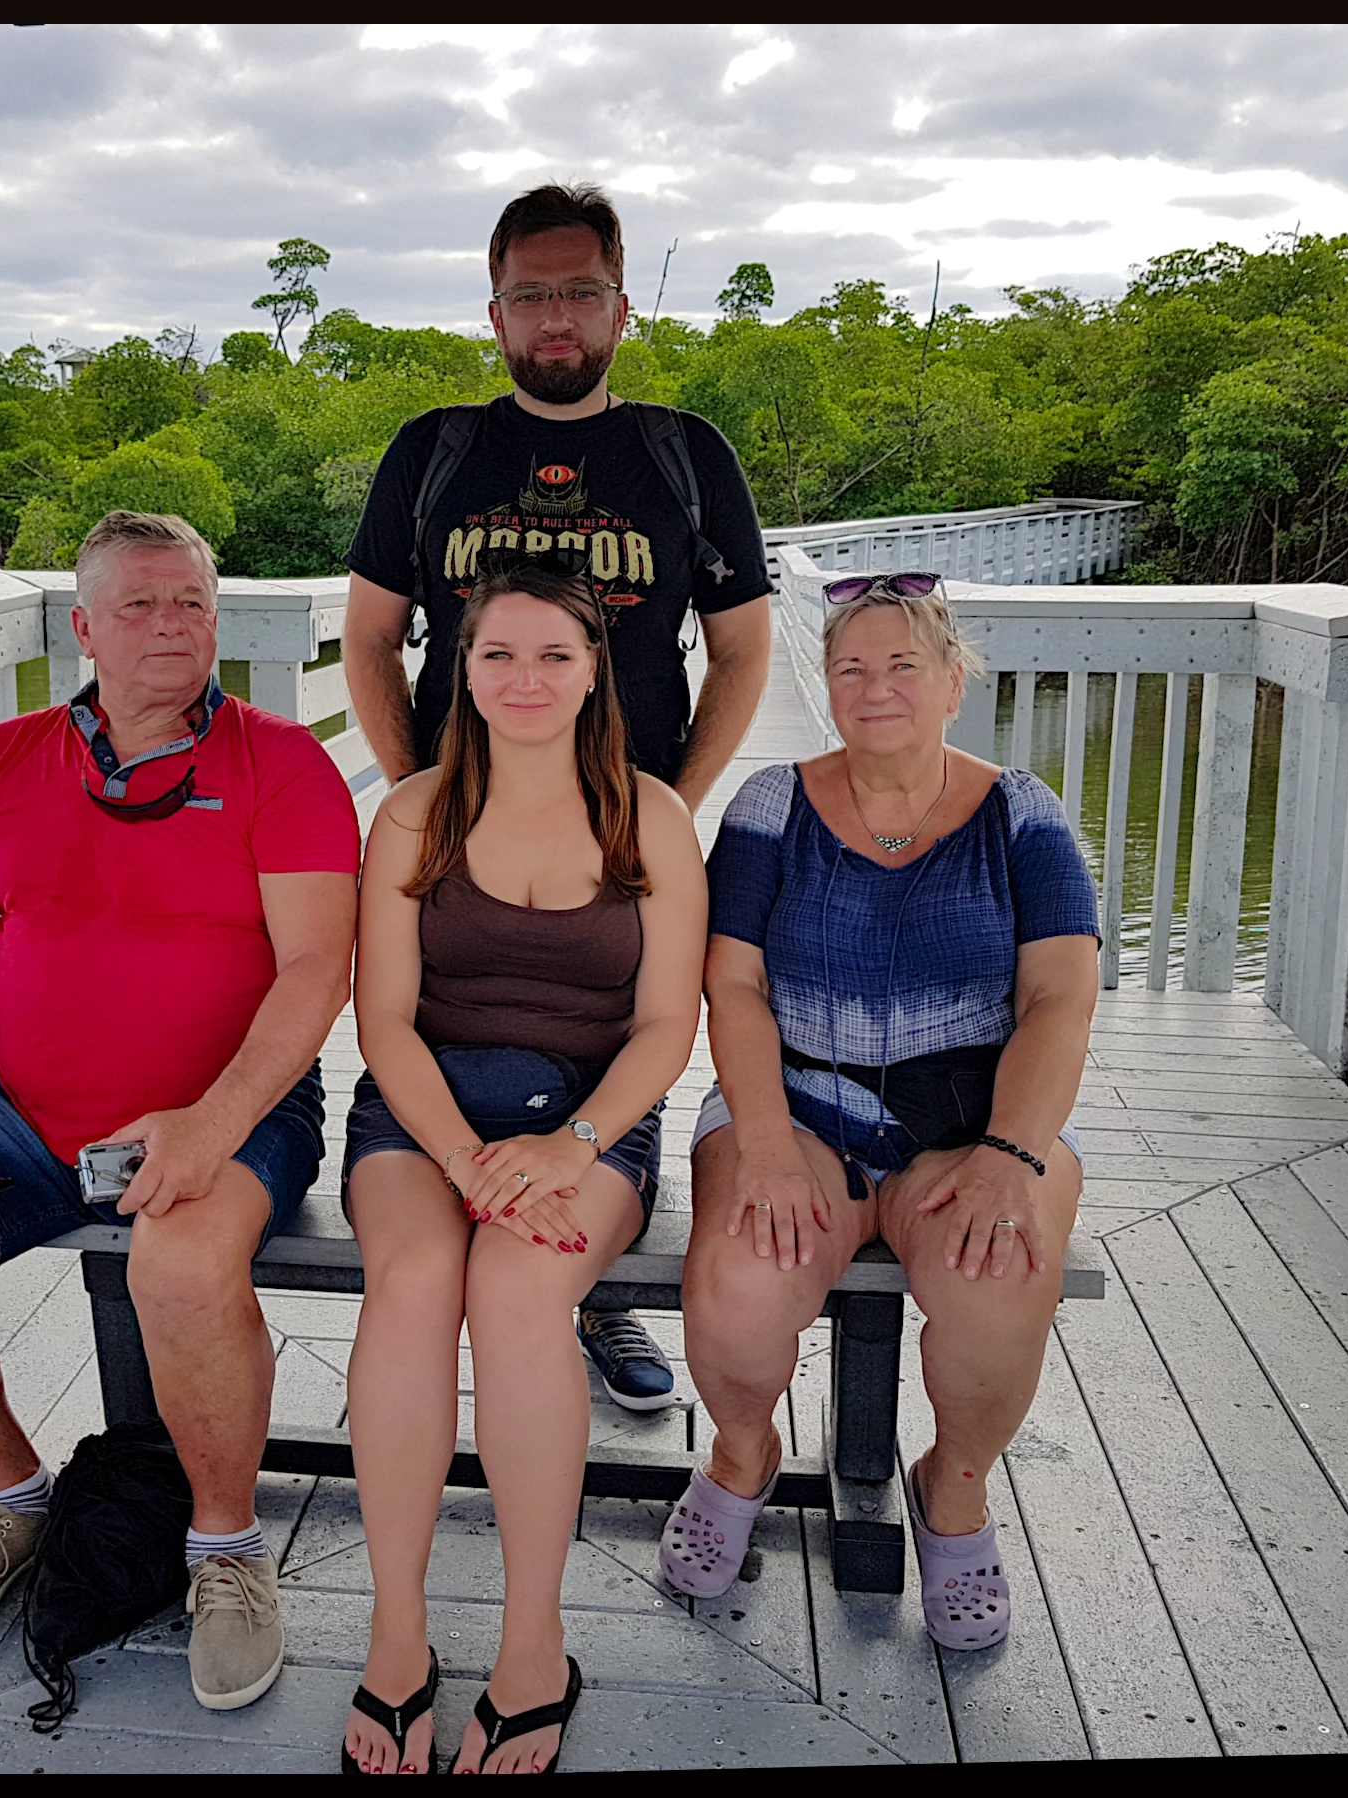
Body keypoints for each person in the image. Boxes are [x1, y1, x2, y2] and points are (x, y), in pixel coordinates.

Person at [0, 510, 360, 1712]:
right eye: (139, 603)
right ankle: (16, 1501)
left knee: (180, 1262)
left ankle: (224, 1547)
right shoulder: (4, 761)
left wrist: (214, 1121)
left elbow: (320, 966)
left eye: (192, 602)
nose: (171, 625)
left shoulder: (280, 761)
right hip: (23, 1110)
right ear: (83, 627)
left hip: (232, 1108)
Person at [342, 180, 773, 1413]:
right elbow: (370, 637)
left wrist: (662, 812)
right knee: (451, 1028)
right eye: (529, 294)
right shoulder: (434, 451)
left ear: (622, 306)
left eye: (581, 290)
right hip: (464, 834)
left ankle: (592, 1285)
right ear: (494, 311)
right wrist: (421, 793)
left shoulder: (682, 455)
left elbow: (742, 650)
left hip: (621, 843)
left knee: (606, 1032)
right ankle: (466, 1275)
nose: (555, 316)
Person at [670, 574, 1098, 1652]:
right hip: (797, 1106)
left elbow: (1059, 996)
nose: (876, 688)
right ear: (826, 687)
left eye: (904, 664)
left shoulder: (1021, 813)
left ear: (954, 681)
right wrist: (764, 1141)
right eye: (851, 668)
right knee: (740, 1277)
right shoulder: (770, 806)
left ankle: (954, 1485)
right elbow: (733, 984)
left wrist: (1011, 1153)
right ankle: (741, 1453)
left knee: (1000, 1273)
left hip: (971, 1121)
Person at [339, 558, 706, 1773]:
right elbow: (383, 1021)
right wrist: (460, 1155)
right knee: (410, 1284)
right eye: (498, 653)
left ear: (596, 669)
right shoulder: (414, 812)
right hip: (422, 1114)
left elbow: (667, 1026)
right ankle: (397, 1638)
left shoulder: (650, 816)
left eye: (554, 653)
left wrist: (570, 1143)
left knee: (513, 1286)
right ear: (463, 668)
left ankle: (532, 1645)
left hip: (591, 1120)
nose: (526, 677)